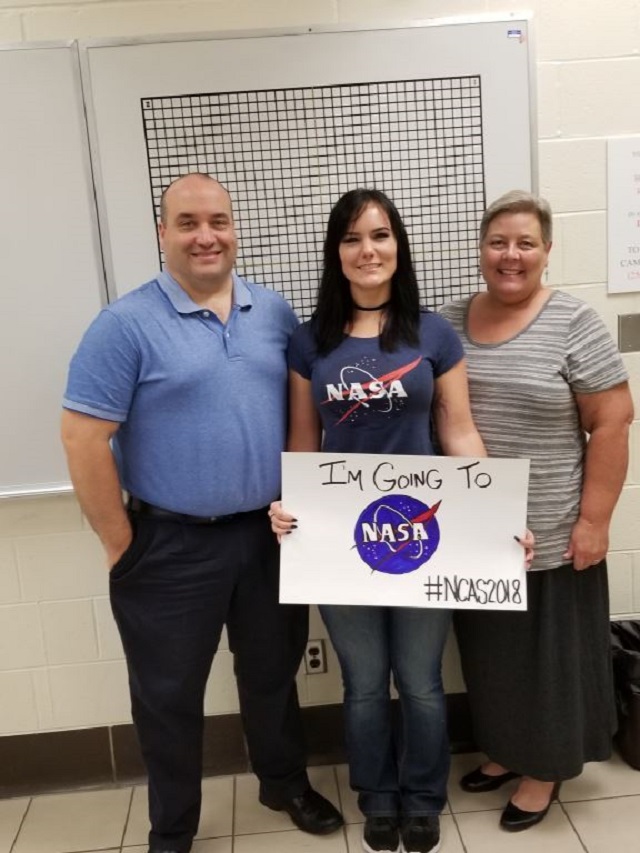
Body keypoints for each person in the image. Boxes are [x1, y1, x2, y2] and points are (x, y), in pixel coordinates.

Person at [60, 173, 343, 853]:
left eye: (218, 220)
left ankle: (282, 783)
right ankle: (174, 827)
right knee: (168, 695)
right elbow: (82, 438)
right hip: (167, 544)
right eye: (187, 223)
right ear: (163, 233)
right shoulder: (123, 326)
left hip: (267, 537)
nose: (205, 236)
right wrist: (120, 543)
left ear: (235, 228)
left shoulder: (273, 314)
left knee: (272, 674)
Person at [270, 188, 489, 853]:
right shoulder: (309, 341)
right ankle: (377, 795)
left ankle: (422, 797)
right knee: (364, 684)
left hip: (423, 535)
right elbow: (302, 442)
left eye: (380, 235)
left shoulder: (433, 334)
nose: (367, 250)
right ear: (336, 253)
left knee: (420, 682)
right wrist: (289, 505)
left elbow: (459, 431)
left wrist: (495, 512)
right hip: (341, 541)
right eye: (352, 238)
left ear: (398, 246)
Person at [440, 190, 634, 832]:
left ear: (547, 251)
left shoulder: (574, 322)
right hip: (476, 530)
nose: (511, 255)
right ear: (480, 249)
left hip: (552, 529)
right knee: (492, 656)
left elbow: (613, 421)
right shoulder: (449, 322)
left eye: (526, 243)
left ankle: (544, 769)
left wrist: (594, 522)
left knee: (549, 663)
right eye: (498, 242)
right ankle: (505, 751)